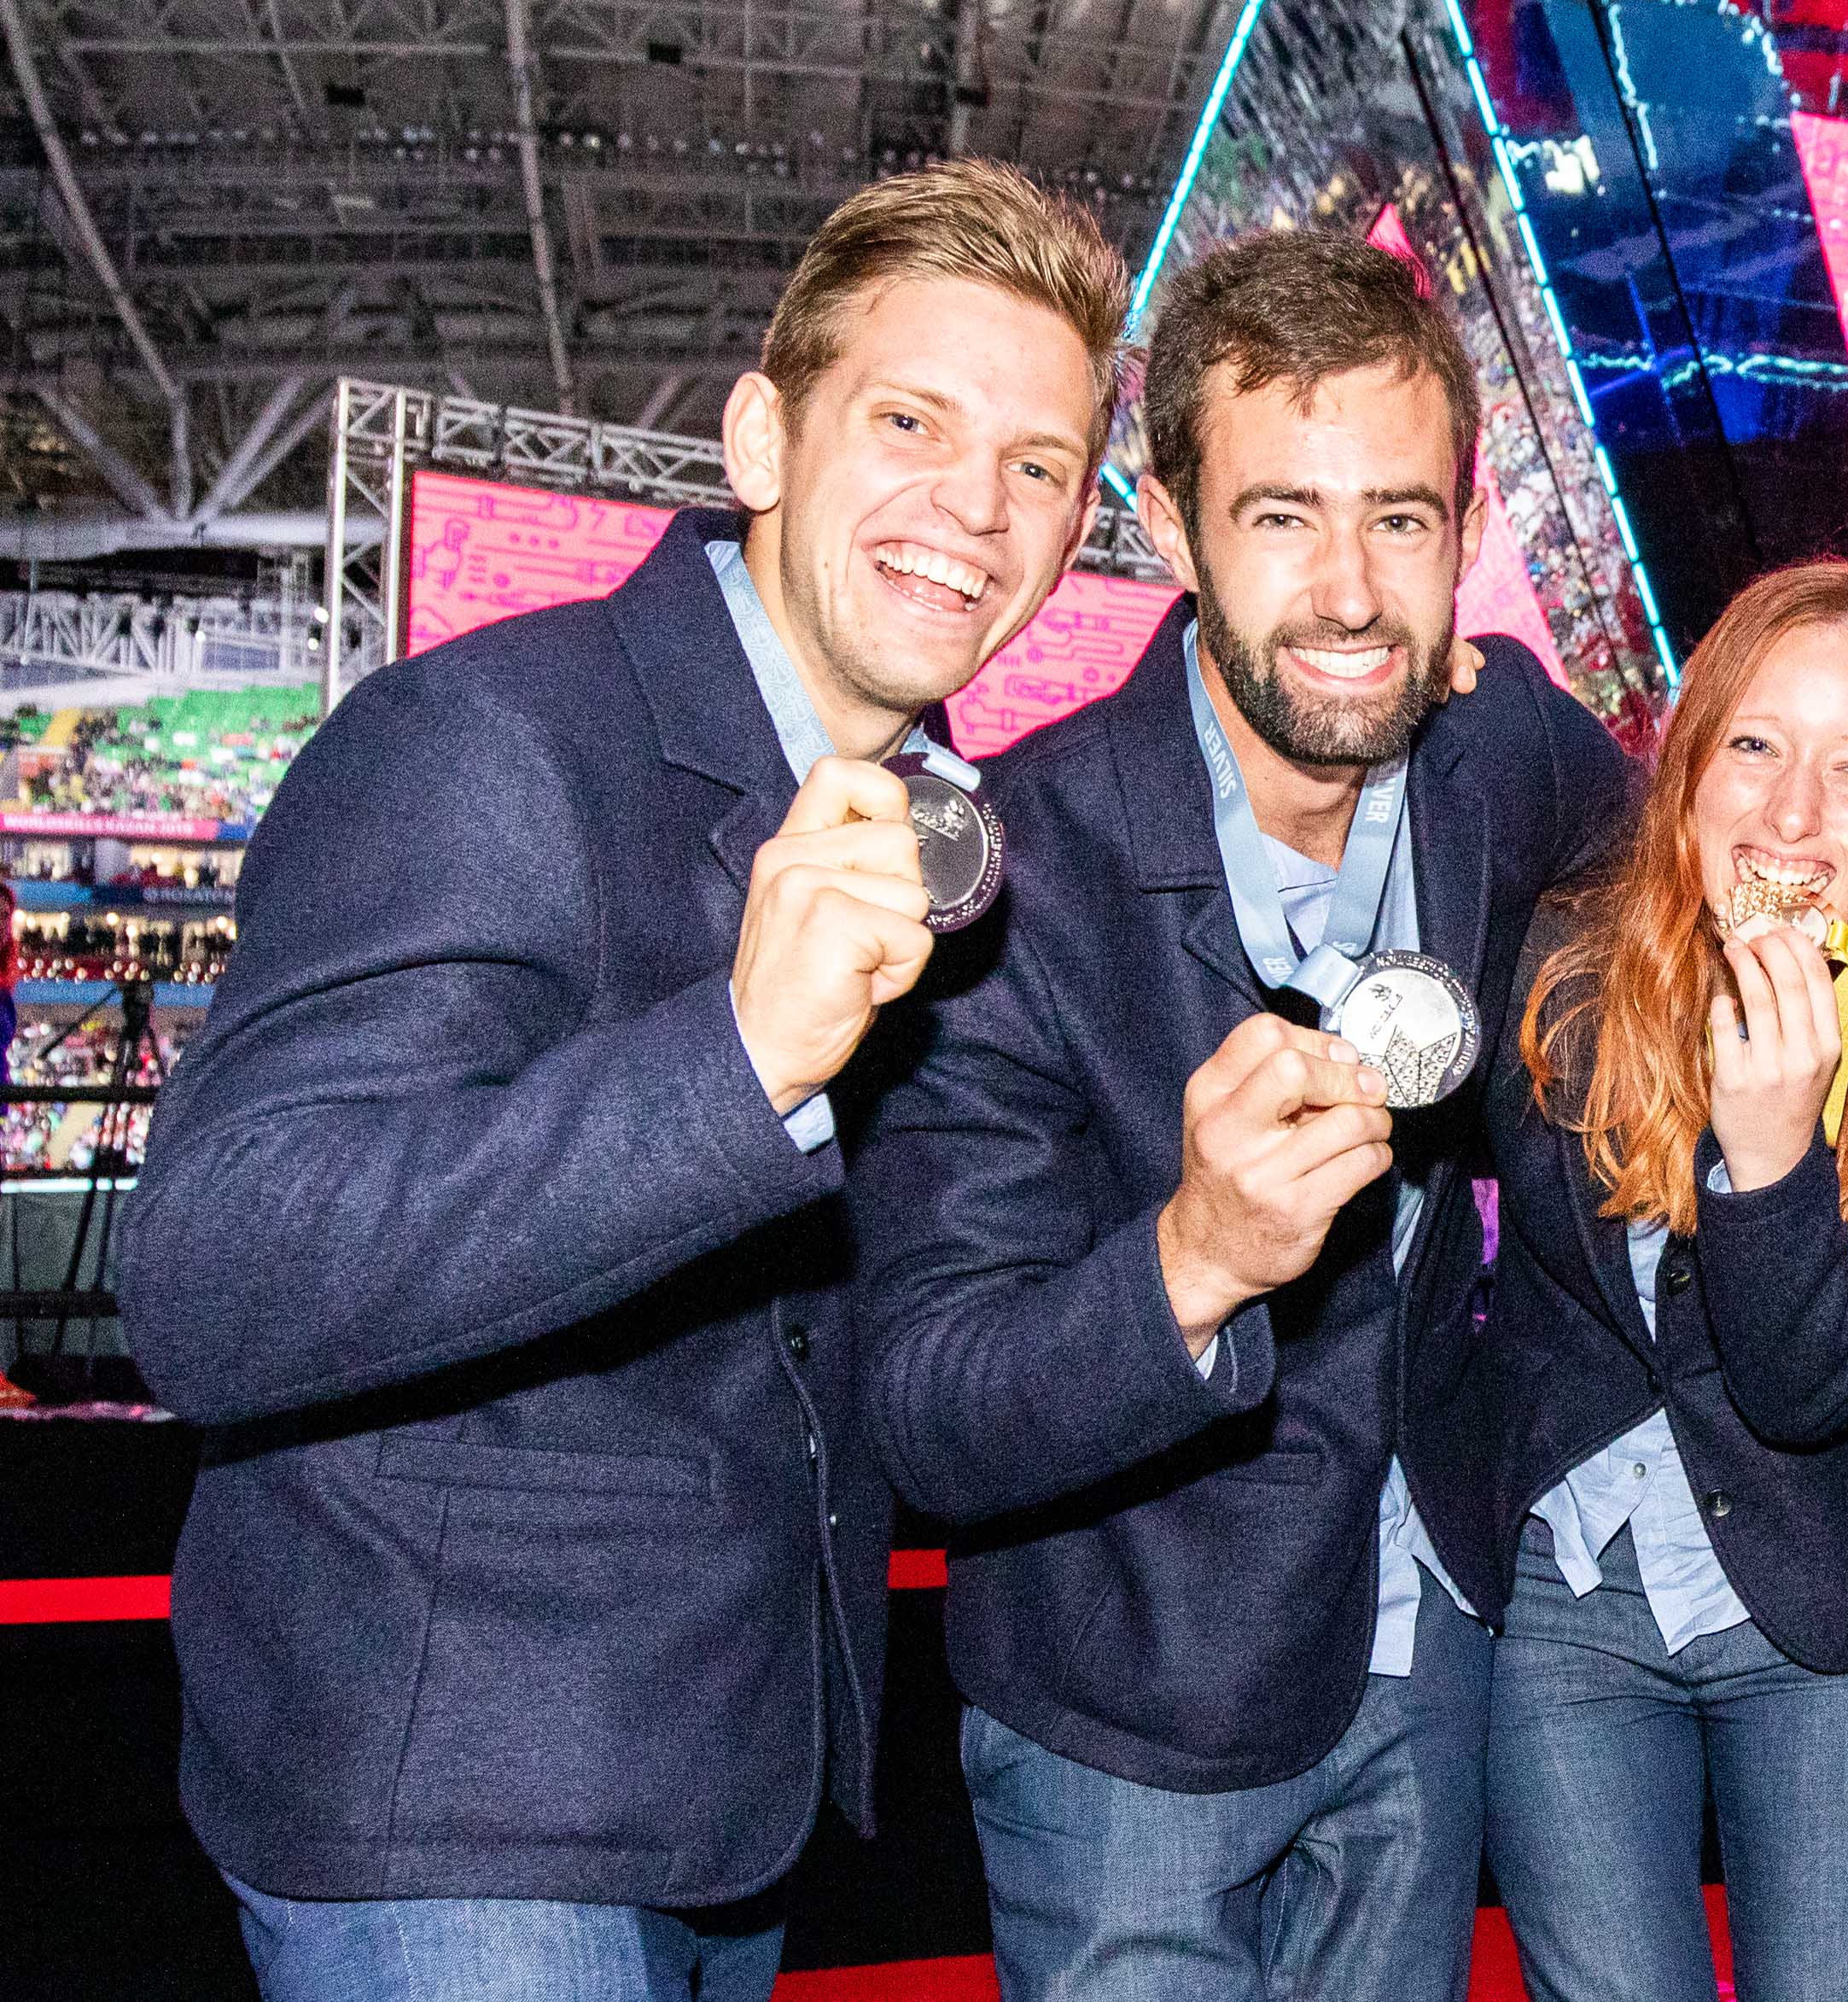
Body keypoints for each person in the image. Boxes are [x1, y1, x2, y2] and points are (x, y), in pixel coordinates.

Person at [122, 161, 1128, 2000]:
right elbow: (213, 1272)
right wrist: (734, 1063)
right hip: (454, 1819)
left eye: (1040, 467)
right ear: (762, 437)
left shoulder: (939, 838)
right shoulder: (492, 736)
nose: (974, 508)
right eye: (910, 420)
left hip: (722, 1802)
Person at [855, 231, 1634, 2002]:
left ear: (1466, 523)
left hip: (1431, 1641)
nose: (1352, 591)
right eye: (1283, 515)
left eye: (1401, 520)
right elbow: (931, 1409)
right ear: (1171, 515)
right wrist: (1191, 1262)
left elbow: (1697, 858)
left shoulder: (1503, 749)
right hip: (1133, 1699)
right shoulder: (1009, 877)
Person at [1477, 558, 1848, 2002]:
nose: (1792, 813)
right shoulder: (1557, 958)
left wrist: (1769, 1165)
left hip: (1827, 1596)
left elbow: (1810, 1385)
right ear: (1689, 757)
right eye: (1757, 746)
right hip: (1565, 1593)